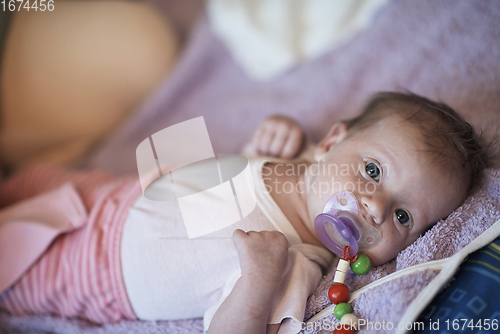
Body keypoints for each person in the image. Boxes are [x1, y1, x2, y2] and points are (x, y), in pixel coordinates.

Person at [0, 92, 488, 334]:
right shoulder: (300, 167)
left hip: (96, 269)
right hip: (116, 192)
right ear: (332, 142)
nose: (376, 206)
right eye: (374, 170)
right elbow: (237, 177)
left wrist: (257, 276)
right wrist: (268, 139)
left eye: (404, 218)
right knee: (28, 179)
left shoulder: (295, 263)